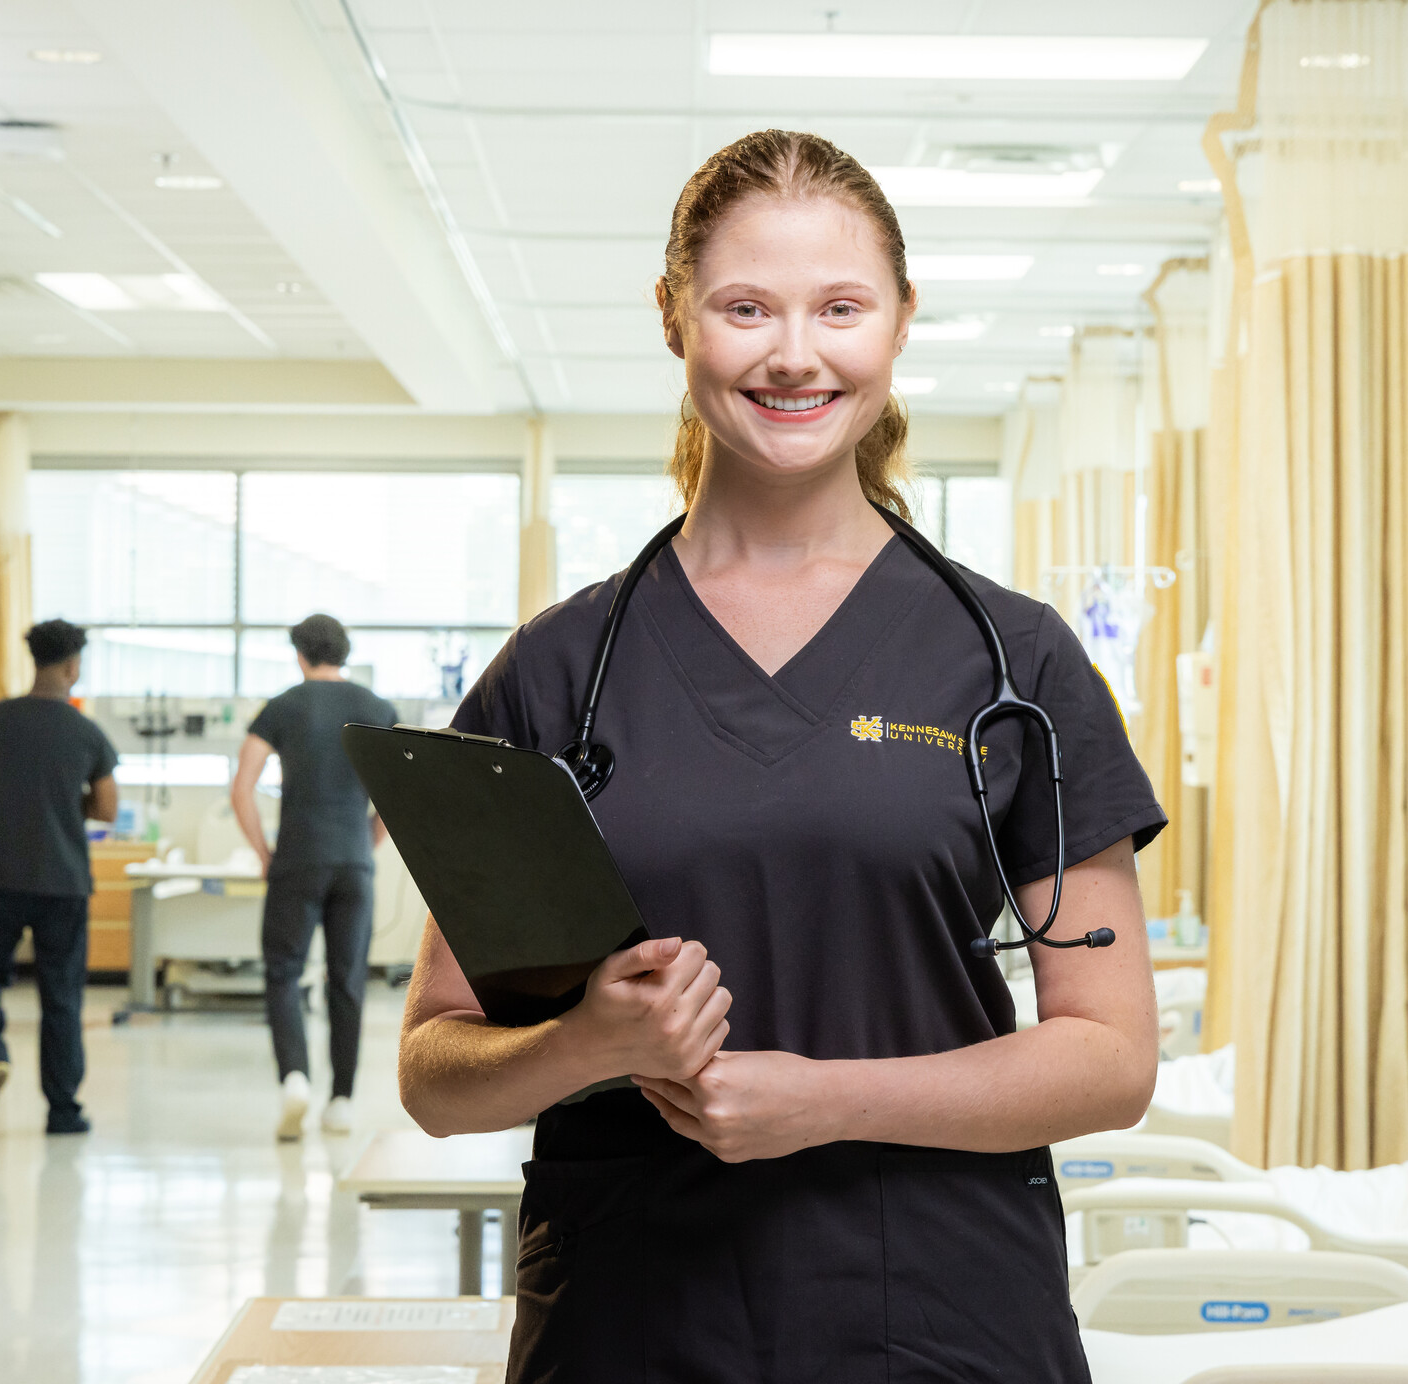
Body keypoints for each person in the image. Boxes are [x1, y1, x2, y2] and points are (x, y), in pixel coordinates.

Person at [398, 130, 1166, 1383]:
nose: (796, 353)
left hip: (943, 1312)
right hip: (631, 1321)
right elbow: (437, 1071)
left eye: (841, 308)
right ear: (673, 316)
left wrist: (827, 1100)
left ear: (902, 322)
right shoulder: (555, 670)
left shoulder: (1014, 661)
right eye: (746, 307)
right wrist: (589, 1045)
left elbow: (1112, 1056)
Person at [0, 619, 119, 1136]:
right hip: (64, 881)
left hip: (1, 873)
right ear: (72, 666)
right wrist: (71, 806)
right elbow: (109, 808)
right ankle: (63, 1110)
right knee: (62, 995)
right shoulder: (87, 732)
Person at [231, 614, 397, 1141]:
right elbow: (398, 794)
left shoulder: (282, 706)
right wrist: (366, 842)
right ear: (343, 652)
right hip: (353, 862)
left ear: (300, 654)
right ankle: (342, 1101)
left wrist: (263, 851)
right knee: (346, 979)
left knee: (283, 972)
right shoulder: (377, 709)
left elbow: (242, 788)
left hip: (297, 859)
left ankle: (295, 1081)